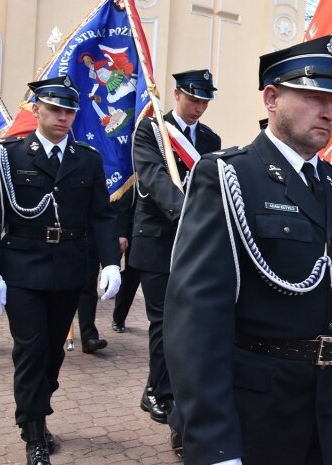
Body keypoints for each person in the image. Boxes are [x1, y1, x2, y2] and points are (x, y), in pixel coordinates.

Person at [163, 35, 332, 465]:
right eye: (314, 96)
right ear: (272, 98)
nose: (329, 111)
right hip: (262, 412)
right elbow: (196, 319)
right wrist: (213, 442)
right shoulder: (228, 177)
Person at [0, 75, 121, 465]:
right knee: (31, 350)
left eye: (69, 111)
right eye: (55, 109)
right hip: (21, 267)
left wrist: (110, 263)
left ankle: (36, 410)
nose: (63, 117)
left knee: (53, 353)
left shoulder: (86, 159)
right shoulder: (7, 155)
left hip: (69, 267)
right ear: (35, 109)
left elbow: (102, 217)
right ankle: (34, 430)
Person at [130, 69, 221, 425]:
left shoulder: (211, 140)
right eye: (193, 98)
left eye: (204, 101)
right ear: (176, 94)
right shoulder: (151, 130)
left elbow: (212, 185)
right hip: (157, 238)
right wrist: (188, 216)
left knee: (187, 318)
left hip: (194, 241)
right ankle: (158, 390)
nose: (198, 107)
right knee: (164, 319)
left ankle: (166, 385)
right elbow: (153, 177)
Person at [110, 188, 141, 334]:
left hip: (150, 229)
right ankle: (119, 317)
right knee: (131, 276)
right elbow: (124, 201)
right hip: (132, 228)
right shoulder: (132, 167)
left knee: (134, 275)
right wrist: (121, 232)